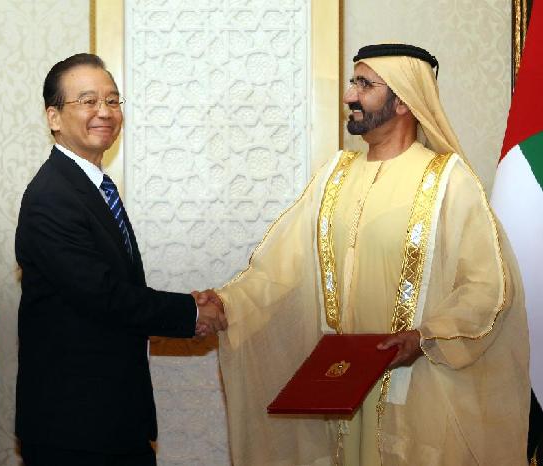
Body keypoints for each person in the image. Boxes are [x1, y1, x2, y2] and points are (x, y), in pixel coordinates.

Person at [197, 44, 531, 465]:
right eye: (353, 82)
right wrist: (225, 304)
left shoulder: (449, 181)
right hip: (337, 396)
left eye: (364, 85)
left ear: (404, 100)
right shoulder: (334, 176)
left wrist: (425, 336)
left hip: (416, 394)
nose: (349, 96)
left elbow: (487, 289)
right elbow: (278, 271)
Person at [15, 53, 226, 466]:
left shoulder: (93, 187)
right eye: (88, 101)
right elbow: (103, 295)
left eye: (113, 101)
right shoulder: (51, 197)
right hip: (74, 429)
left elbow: (120, 290)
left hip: (109, 420)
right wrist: (191, 312)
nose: (104, 112)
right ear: (54, 117)